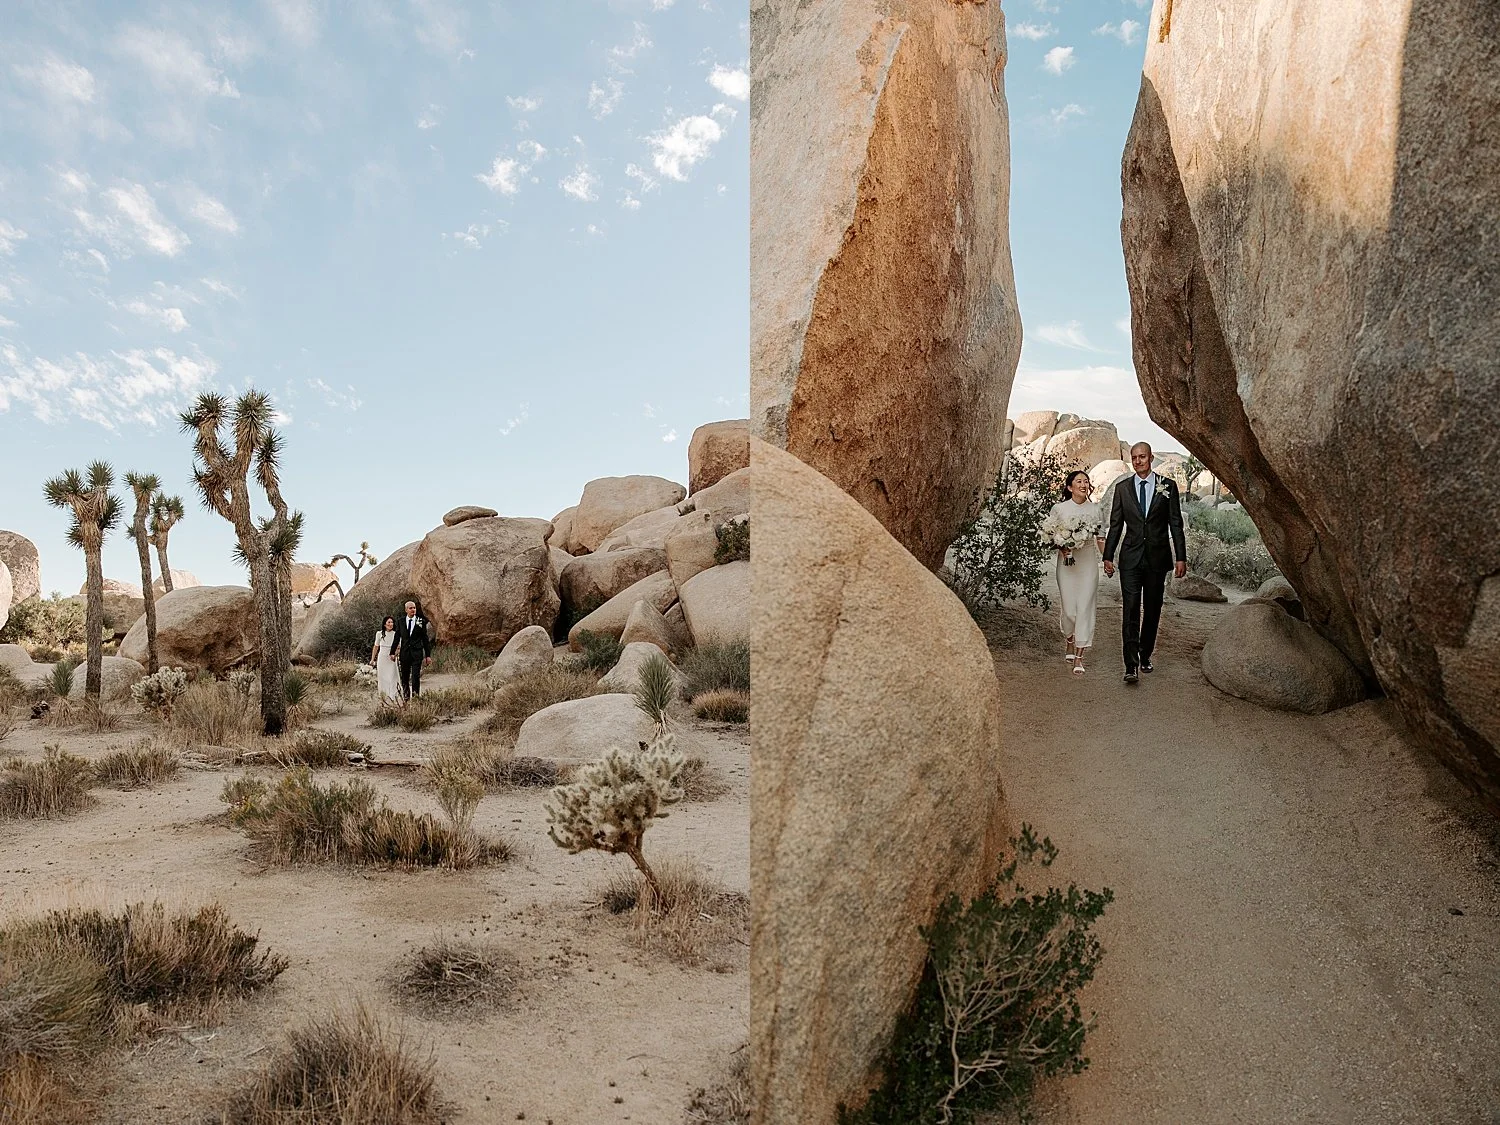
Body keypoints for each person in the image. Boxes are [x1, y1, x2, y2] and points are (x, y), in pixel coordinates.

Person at [1103, 442, 1187, 684]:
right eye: (1134, 457)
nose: (1138, 461)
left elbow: (1175, 524)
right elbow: (1116, 525)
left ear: (1151, 458)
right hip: (1130, 559)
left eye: (1142, 456)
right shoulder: (1122, 489)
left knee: (1152, 610)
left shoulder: (1167, 487)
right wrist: (1108, 556)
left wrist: (1180, 557)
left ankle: (1145, 655)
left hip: (1157, 559)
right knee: (1130, 610)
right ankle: (1130, 666)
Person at [1047, 470, 1106, 675]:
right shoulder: (1059, 509)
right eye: (1078, 481)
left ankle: (1079, 656)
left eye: (1086, 481)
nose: (1083, 484)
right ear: (1070, 487)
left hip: (1088, 564)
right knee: (1070, 610)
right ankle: (1070, 639)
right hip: (1066, 566)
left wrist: (1107, 559)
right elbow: (1050, 536)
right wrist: (1062, 548)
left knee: (1085, 608)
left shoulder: (1096, 509)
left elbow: (1101, 537)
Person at [391, 600, 433, 700]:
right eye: (410, 608)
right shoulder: (400, 621)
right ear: (406, 610)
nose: (413, 610)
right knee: (404, 678)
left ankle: (415, 698)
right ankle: (406, 698)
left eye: (414, 608)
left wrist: (428, 655)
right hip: (404, 654)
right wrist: (392, 652)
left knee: (415, 677)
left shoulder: (420, 621)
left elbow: (425, 639)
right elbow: (397, 638)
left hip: (416, 654)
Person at [370, 615, 401, 701]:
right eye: (389, 622)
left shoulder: (396, 634)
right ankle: (383, 694)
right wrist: (373, 659)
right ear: (384, 624)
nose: (391, 624)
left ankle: (393, 694)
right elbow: (376, 646)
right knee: (382, 676)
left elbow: (399, 647)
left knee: (392, 675)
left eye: (392, 622)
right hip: (382, 656)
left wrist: (395, 655)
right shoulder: (379, 634)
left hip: (391, 657)